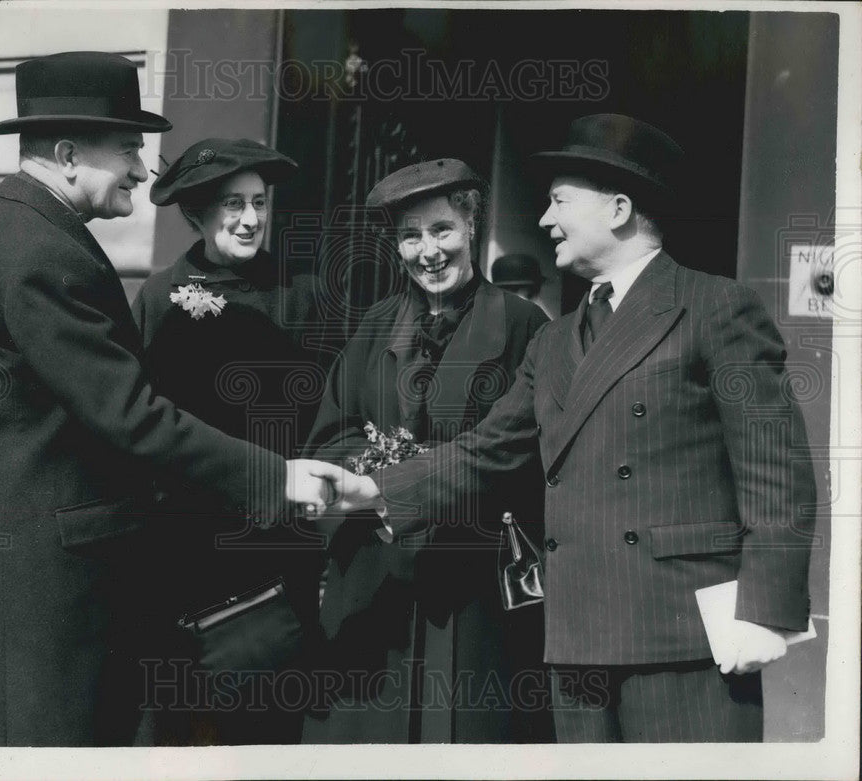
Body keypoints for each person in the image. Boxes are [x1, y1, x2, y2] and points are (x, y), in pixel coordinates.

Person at [0, 52, 344, 747]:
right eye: (130, 150)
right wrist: (278, 476)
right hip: (29, 600)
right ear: (68, 155)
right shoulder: (44, 254)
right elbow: (131, 414)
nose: (142, 170)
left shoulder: (5, 227)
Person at [331, 114, 816, 743]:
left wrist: (767, 610)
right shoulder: (554, 340)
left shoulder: (715, 307)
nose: (544, 220)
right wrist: (375, 489)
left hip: (684, 637)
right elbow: (487, 451)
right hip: (576, 641)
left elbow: (775, 467)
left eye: (559, 202)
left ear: (618, 209)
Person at [301, 159, 552, 743]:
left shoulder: (523, 325)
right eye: (411, 236)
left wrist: (427, 483)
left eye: (442, 230)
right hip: (378, 573)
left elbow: (526, 448)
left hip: (473, 578)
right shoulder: (375, 325)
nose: (428, 251)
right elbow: (332, 434)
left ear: (472, 228)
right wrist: (372, 468)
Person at [131, 138, 326, 745]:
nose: (250, 219)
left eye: (259, 203)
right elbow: (137, 422)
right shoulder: (159, 298)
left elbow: (328, 413)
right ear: (197, 212)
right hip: (186, 543)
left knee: (269, 719)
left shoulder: (302, 293)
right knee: (186, 722)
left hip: (279, 540)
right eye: (232, 204)